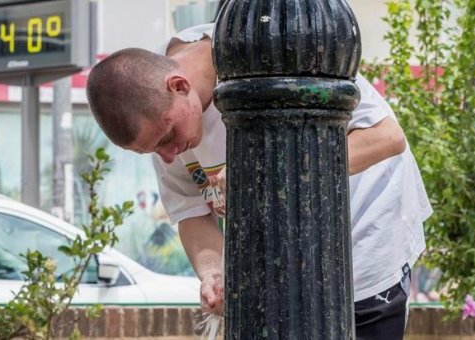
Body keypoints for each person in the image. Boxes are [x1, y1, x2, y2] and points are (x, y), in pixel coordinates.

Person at [86, 23, 432, 340]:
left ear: (179, 86)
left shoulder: (271, 45)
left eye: (166, 139)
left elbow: (386, 137)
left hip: (366, 246)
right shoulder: (161, 116)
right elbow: (191, 211)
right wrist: (213, 273)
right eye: (152, 151)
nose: (168, 155)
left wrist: (264, 174)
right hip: (279, 273)